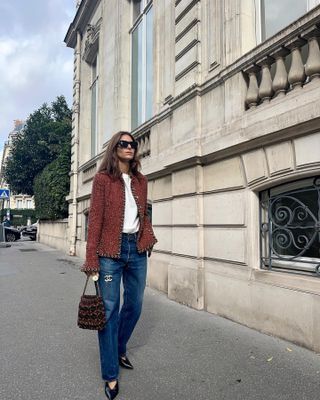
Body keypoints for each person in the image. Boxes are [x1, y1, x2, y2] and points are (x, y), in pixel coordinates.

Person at [82, 131, 157, 399]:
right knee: (109, 311)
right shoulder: (103, 180)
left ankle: (119, 346)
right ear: (115, 149)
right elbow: (96, 221)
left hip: (135, 250)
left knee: (135, 305)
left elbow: (143, 215)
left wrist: (147, 237)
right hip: (109, 253)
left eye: (132, 144)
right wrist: (92, 258)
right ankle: (111, 374)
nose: (130, 147)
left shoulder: (141, 180)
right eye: (124, 144)